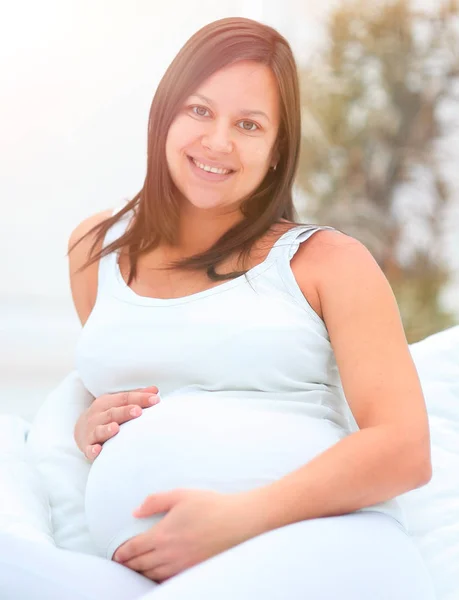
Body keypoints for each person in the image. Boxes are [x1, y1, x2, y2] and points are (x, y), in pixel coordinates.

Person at [0, 16, 437, 600]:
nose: (218, 142)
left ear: (278, 150)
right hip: (151, 572)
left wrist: (238, 519)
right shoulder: (96, 250)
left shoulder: (330, 262)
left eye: (249, 124)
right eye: (200, 111)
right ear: (165, 114)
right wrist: (90, 426)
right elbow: (126, 383)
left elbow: (404, 449)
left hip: (329, 544)